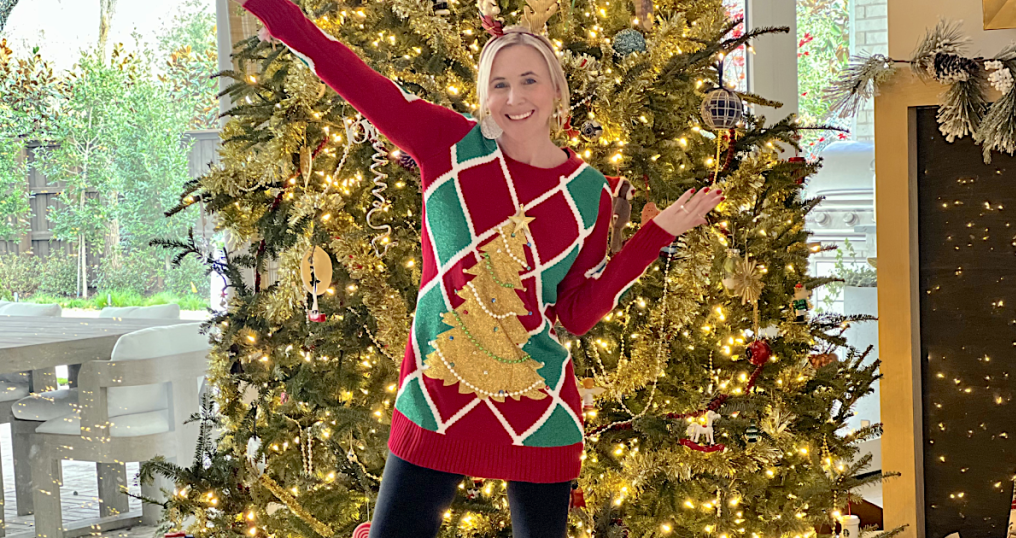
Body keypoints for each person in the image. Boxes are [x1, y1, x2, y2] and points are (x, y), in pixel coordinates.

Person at [233, 1, 724, 536]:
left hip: (538, 409)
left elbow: (576, 314)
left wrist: (656, 237)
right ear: (484, 96)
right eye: (500, 84)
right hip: (436, 393)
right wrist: (278, 14)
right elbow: (356, 77)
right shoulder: (447, 145)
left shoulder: (590, 195)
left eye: (530, 80)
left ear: (556, 90)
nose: (515, 98)